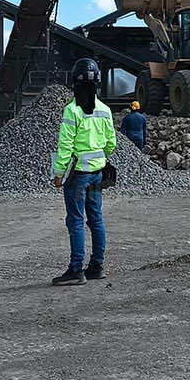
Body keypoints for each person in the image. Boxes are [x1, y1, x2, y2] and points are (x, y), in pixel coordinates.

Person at [50, 58, 117, 286]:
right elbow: (111, 143)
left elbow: (65, 146)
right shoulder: (105, 110)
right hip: (98, 174)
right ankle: (96, 267)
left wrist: (59, 173)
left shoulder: (72, 110)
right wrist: (99, 157)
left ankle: (76, 270)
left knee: (76, 221)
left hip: (78, 176)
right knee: (96, 219)